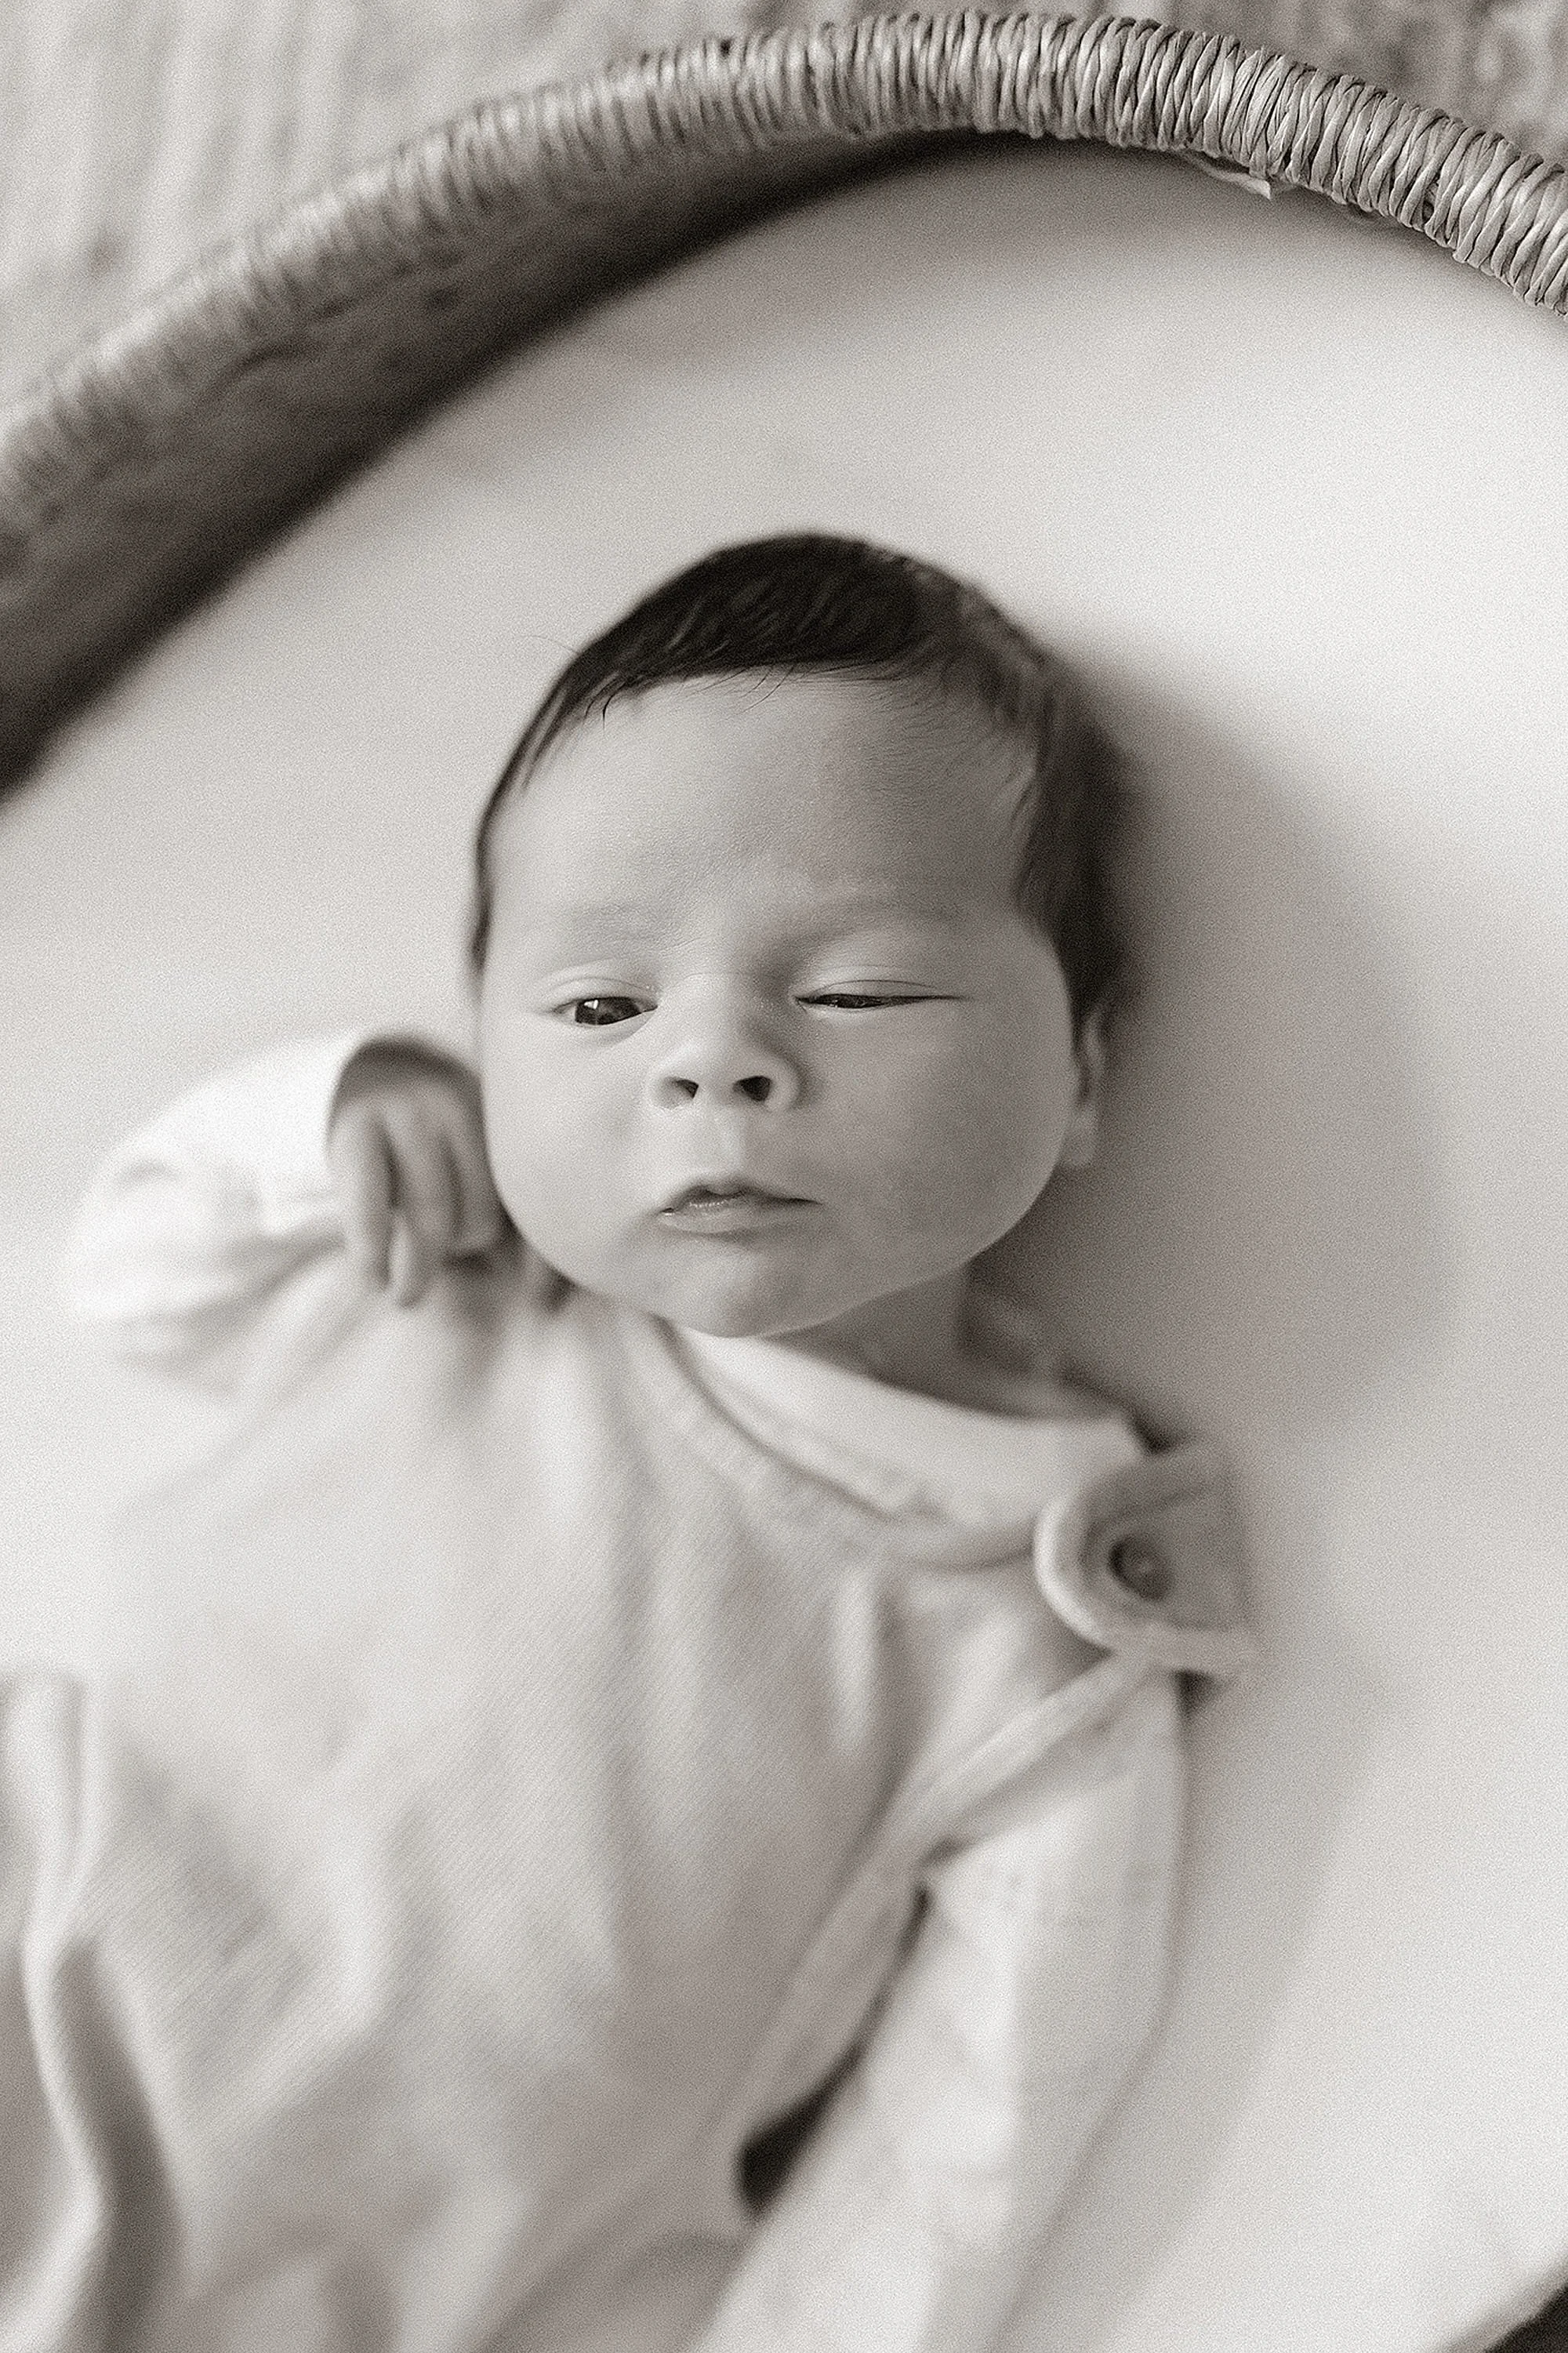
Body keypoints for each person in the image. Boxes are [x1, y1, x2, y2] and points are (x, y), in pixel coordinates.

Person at [11, 535, 1250, 2352]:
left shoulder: (1036, 1629)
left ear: (1079, 1073)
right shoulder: (447, 1267)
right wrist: (334, 1112)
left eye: (854, 991)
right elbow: (133, 1282)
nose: (715, 1062)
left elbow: (951, 2170)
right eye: (601, 1007)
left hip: (403, 2278)